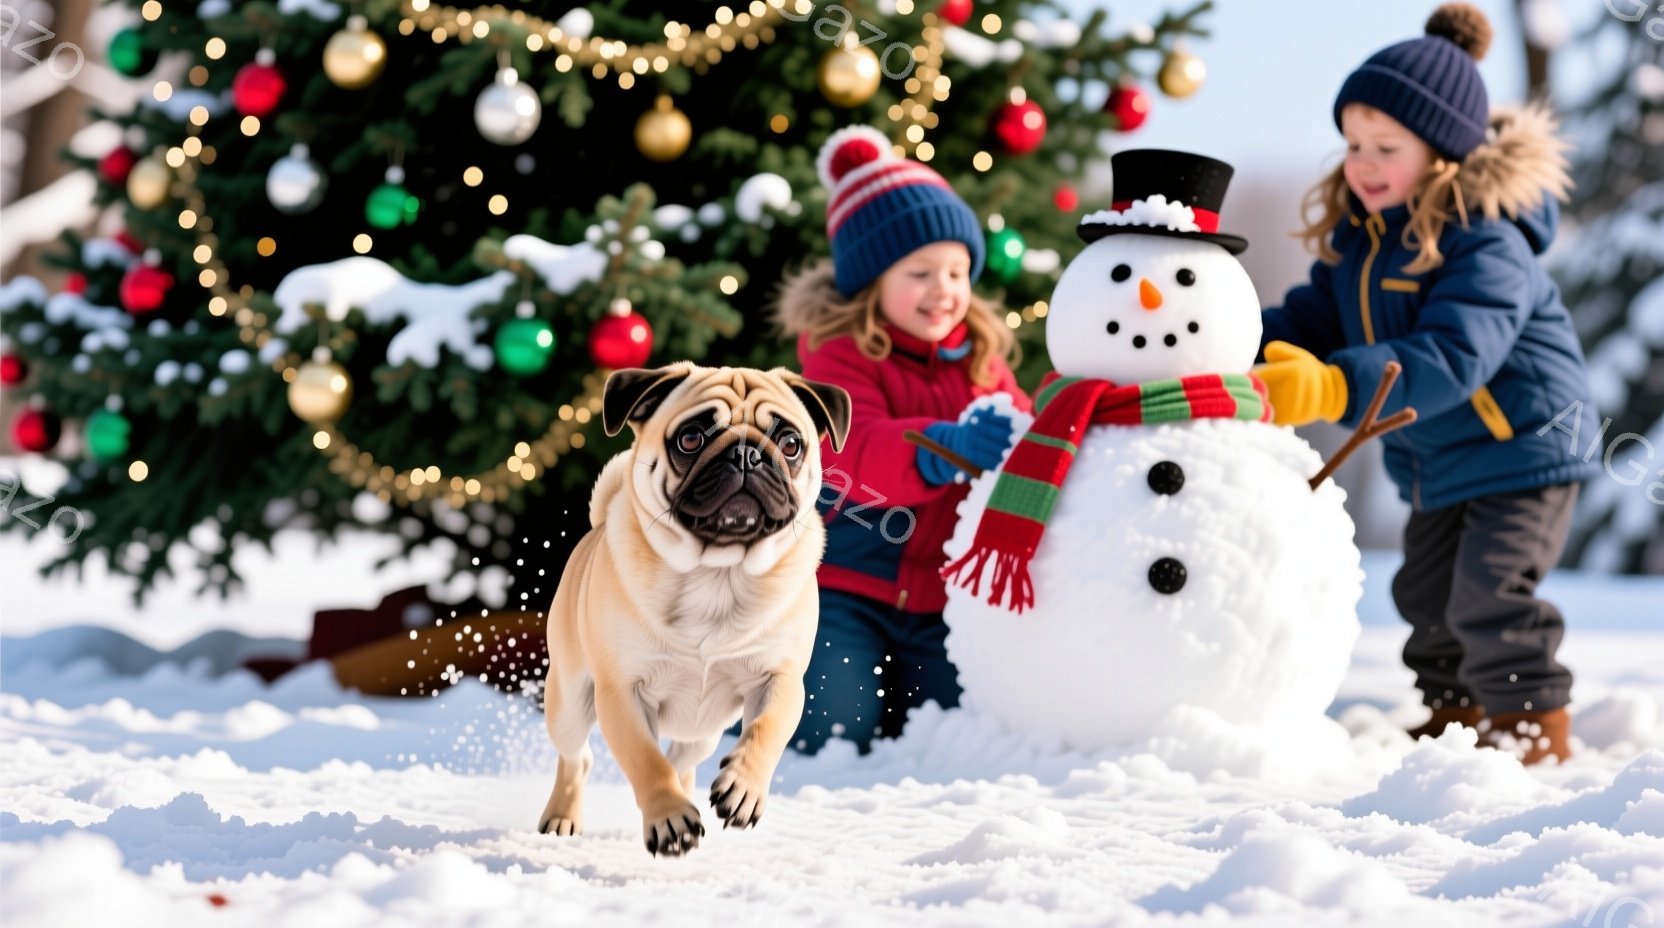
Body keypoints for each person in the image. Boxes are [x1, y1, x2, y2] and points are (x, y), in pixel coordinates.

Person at [1255, 3, 1598, 764]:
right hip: (1440, 450)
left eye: (1386, 146)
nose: (1362, 163)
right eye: (1352, 144)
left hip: (1524, 446)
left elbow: (1451, 356)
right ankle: (1455, 712)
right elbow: (1310, 319)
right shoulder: (1363, 244)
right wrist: (1237, 343)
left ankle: (1531, 727)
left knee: (1491, 588)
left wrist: (1334, 389)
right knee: (1426, 594)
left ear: (1442, 152)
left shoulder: (1488, 243)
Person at [773, 125, 1032, 755]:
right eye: (920, 272)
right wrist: (940, 448)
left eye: (957, 269)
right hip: (847, 589)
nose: (944, 289)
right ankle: (755, 722)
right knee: (832, 729)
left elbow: (1022, 432)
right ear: (871, 279)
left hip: (944, 601)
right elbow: (850, 449)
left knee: (956, 728)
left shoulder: (981, 361)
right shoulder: (840, 354)